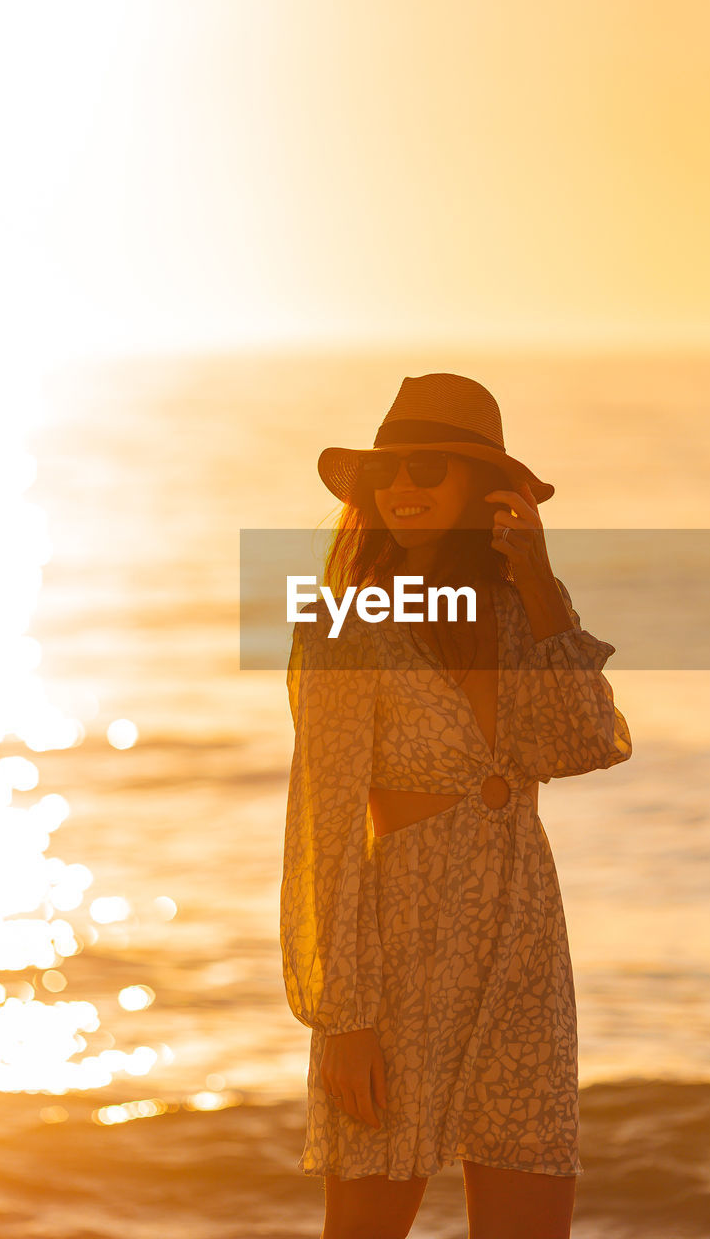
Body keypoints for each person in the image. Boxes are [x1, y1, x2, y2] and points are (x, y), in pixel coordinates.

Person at [281, 373, 632, 1239]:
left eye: (430, 469)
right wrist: (343, 1016)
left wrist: (543, 585)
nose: (402, 488)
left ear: (484, 487)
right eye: (387, 473)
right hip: (399, 952)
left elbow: (589, 743)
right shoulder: (342, 626)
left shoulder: (525, 615)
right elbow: (321, 826)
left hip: (523, 946)